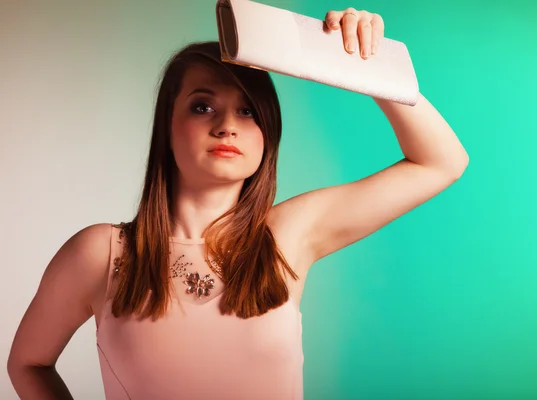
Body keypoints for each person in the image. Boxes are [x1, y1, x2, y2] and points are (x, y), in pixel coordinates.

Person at [7, 7, 469, 400]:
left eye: (248, 110)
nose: (228, 124)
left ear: (267, 133)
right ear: (167, 128)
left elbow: (441, 163)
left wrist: (368, 66)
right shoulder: (101, 253)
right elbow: (28, 363)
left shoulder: (288, 235)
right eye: (202, 106)